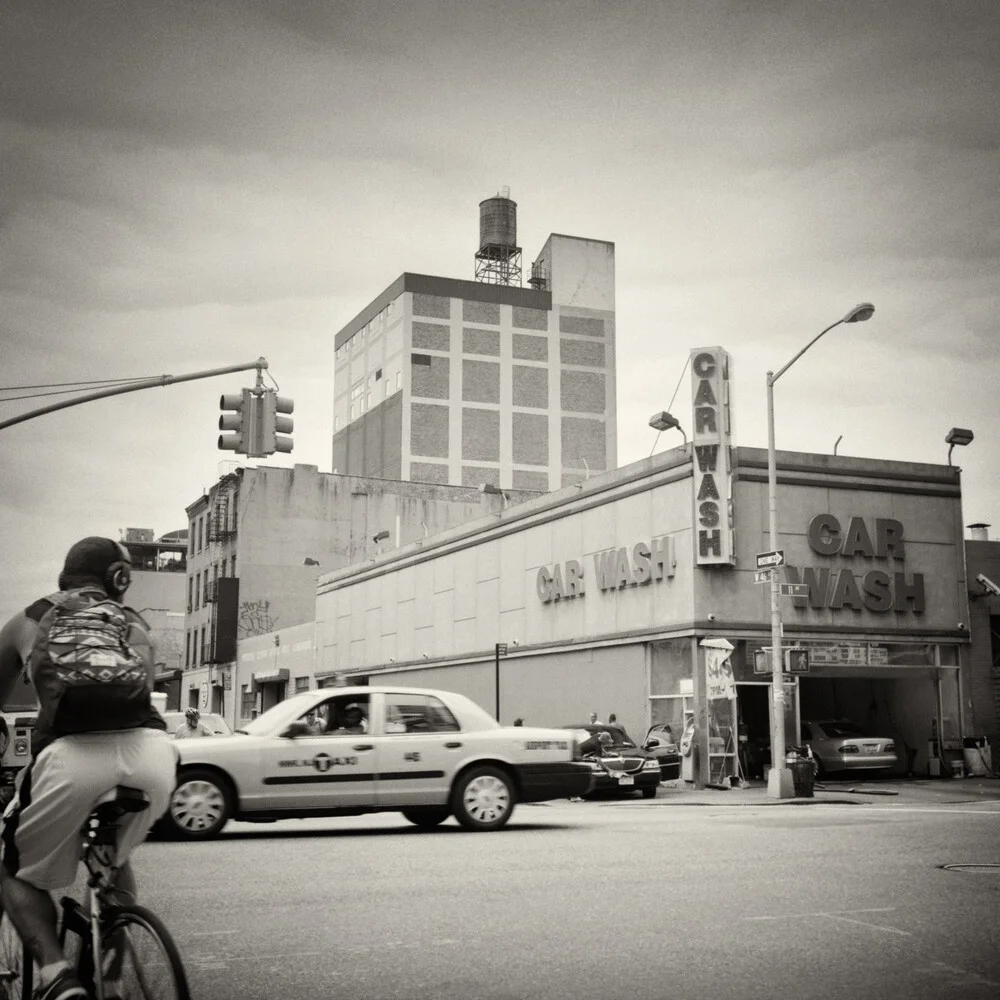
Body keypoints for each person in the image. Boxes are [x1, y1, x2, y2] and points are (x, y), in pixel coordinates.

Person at [0, 537, 178, 1000]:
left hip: (70, 761)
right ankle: (112, 984)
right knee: (113, 861)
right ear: (119, 578)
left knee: (11, 873)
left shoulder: (32, 617)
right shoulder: (133, 623)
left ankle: (57, 975)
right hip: (153, 757)